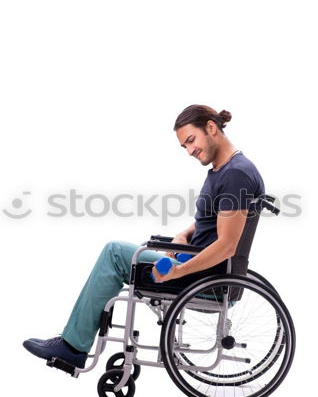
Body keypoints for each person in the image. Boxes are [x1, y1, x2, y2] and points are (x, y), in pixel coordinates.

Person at [23, 104, 265, 369]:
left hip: (206, 278)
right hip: (200, 266)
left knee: (115, 253)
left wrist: (178, 271)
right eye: (184, 146)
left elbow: (227, 245)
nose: (190, 150)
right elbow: (213, 222)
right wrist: (183, 235)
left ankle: (73, 346)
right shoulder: (227, 170)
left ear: (210, 127)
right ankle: (75, 341)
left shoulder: (235, 175)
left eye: (191, 140)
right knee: (132, 253)